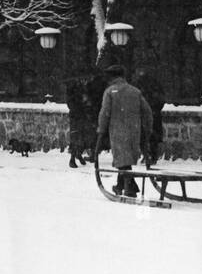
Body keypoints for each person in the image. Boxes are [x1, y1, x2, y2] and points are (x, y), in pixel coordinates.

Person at [95, 64, 152, 198]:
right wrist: (147, 129)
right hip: (134, 131)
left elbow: (104, 113)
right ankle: (120, 186)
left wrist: (101, 130)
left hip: (117, 131)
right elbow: (147, 112)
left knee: (122, 159)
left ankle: (130, 187)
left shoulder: (110, 92)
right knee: (125, 159)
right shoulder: (135, 91)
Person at [135, 70, 166, 168]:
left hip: (149, 113)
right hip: (152, 113)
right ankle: (150, 155)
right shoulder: (152, 85)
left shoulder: (141, 86)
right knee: (151, 136)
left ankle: (150, 155)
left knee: (148, 136)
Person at [64, 78, 93, 168]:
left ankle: (78, 154)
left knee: (82, 137)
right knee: (76, 137)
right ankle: (72, 159)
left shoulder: (81, 89)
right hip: (77, 117)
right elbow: (71, 104)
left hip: (81, 116)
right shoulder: (74, 91)